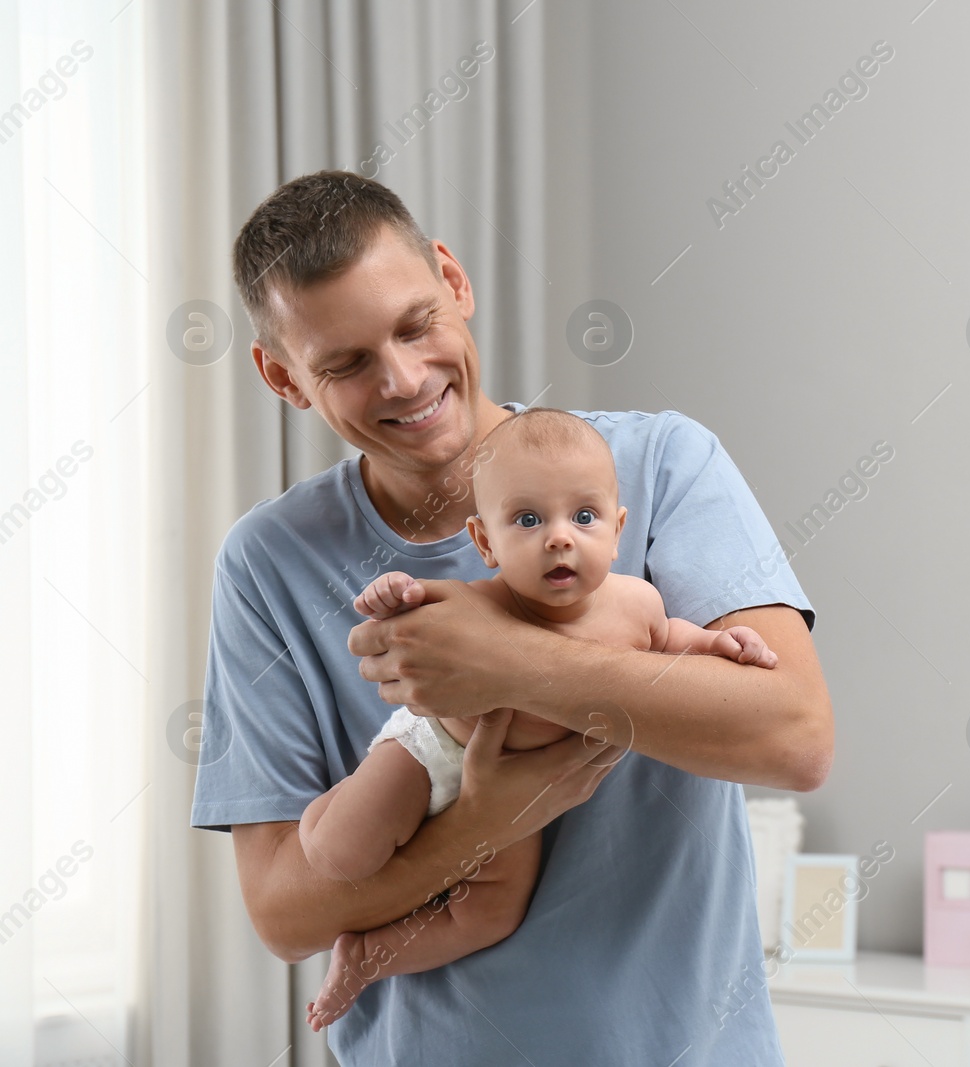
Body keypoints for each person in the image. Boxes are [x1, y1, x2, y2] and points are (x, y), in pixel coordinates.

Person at [190, 170, 832, 1066]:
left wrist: (507, 662)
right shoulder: (269, 562)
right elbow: (285, 911)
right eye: (346, 362)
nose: (405, 379)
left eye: (416, 325)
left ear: (454, 281)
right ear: (283, 378)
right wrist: (485, 821)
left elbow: (795, 737)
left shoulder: (656, 466)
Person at [300, 406, 780, 1030]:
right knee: (342, 857)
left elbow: (674, 641)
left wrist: (723, 646)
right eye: (528, 519)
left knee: (491, 914)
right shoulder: (478, 603)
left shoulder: (638, 604)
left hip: (525, 796)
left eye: (584, 517)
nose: (560, 537)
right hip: (432, 753)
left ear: (617, 529)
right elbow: (419, 619)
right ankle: (318, 815)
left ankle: (366, 958)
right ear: (484, 542)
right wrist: (395, 595)